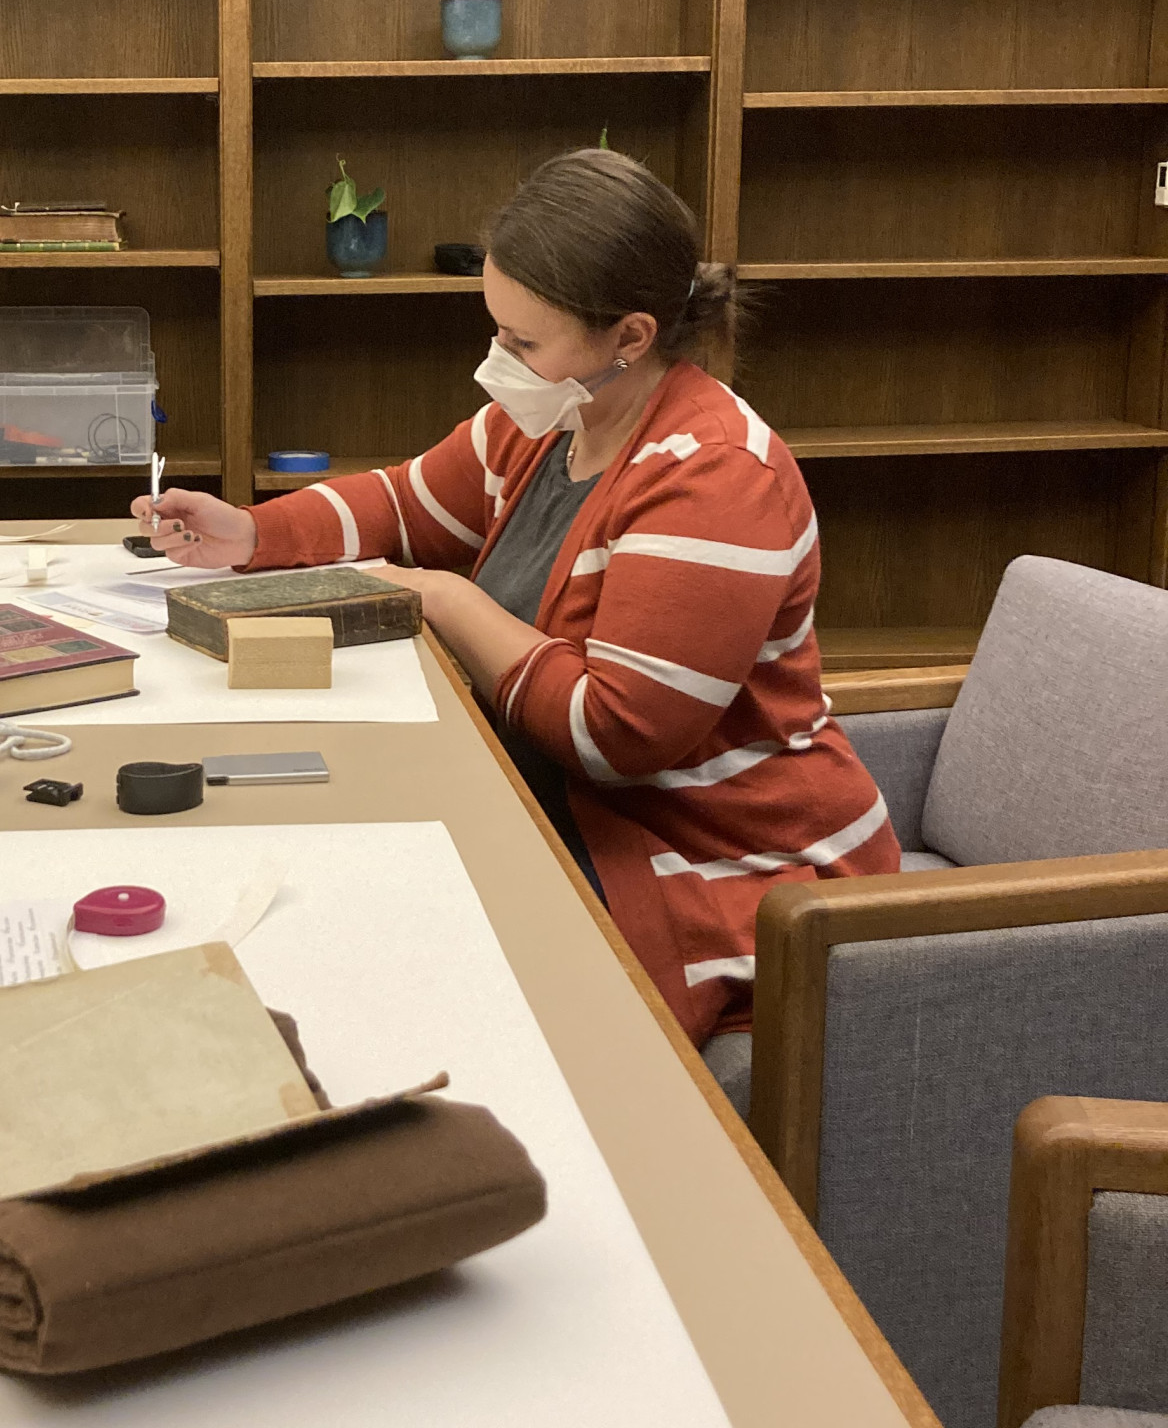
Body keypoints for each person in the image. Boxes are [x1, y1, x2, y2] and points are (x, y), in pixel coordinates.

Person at [135, 147, 898, 1050]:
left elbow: (613, 735)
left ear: (632, 337)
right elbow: (408, 503)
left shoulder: (713, 479)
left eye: (524, 341)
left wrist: (447, 603)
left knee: (372, 958)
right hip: (569, 808)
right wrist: (255, 534)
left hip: (727, 865)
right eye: (497, 329)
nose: (499, 358)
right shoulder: (555, 415)